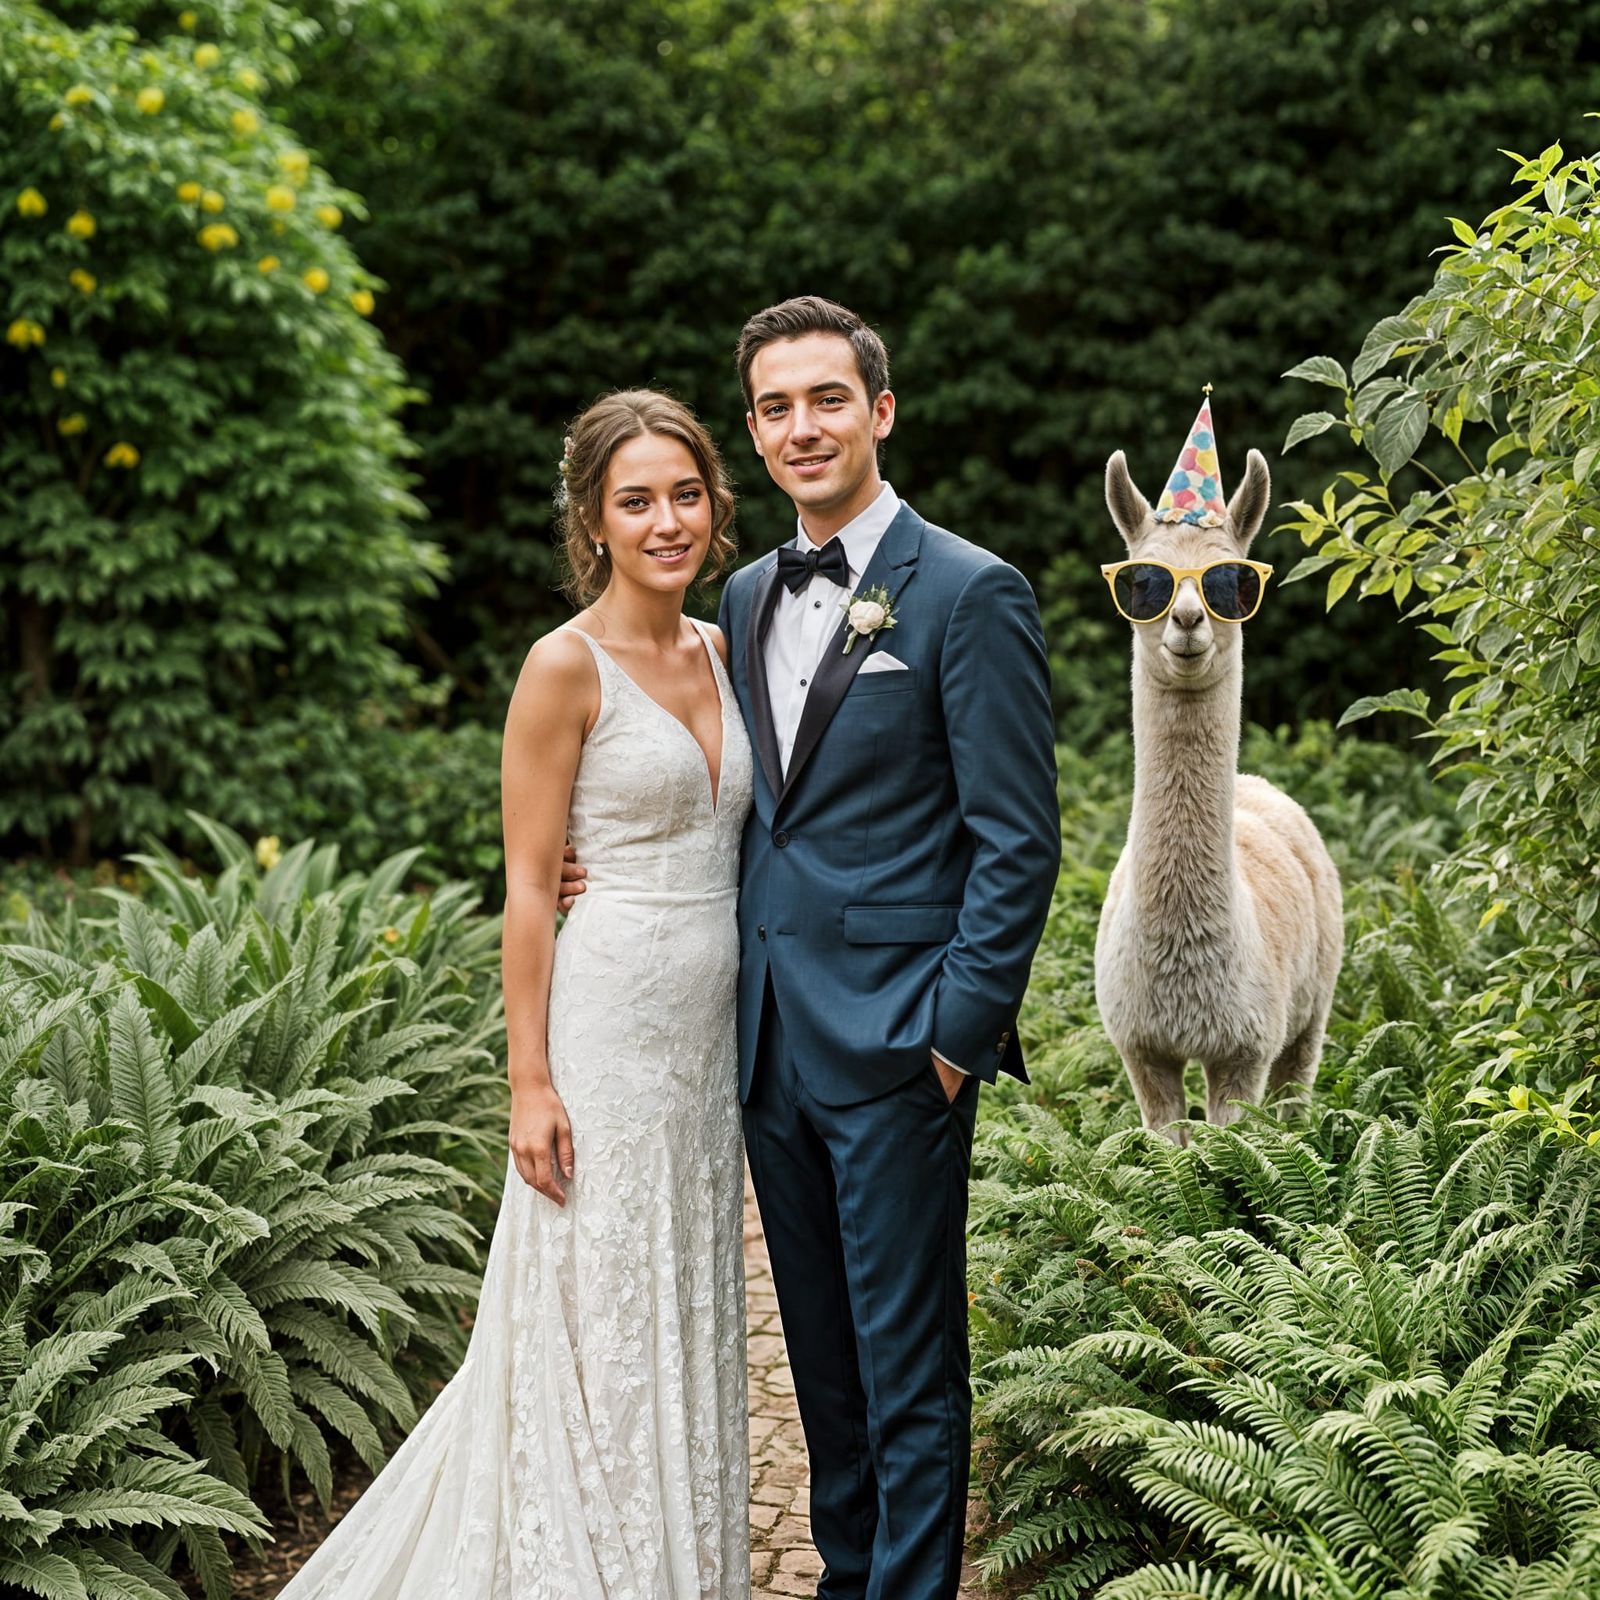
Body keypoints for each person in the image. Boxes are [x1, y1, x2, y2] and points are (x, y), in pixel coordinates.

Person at [563, 296, 1060, 1599]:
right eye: (776, 407)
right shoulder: (738, 596)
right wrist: (588, 858)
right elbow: (730, 794)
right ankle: (846, 1578)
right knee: (824, 1371)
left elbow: (1017, 843)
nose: (804, 427)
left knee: (908, 1370)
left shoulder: (970, 592)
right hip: (768, 1039)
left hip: (900, 1044)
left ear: (879, 410)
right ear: (754, 430)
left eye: (828, 399)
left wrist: (952, 1040)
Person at [279, 389, 754, 1600]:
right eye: (635, 501)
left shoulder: (727, 647)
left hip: (711, 1041)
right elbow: (530, 890)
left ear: (715, 504)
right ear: (592, 521)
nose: (666, 521)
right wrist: (528, 1081)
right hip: (607, 1029)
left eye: (685, 494)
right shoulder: (562, 666)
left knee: (681, 1291)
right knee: (595, 1305)